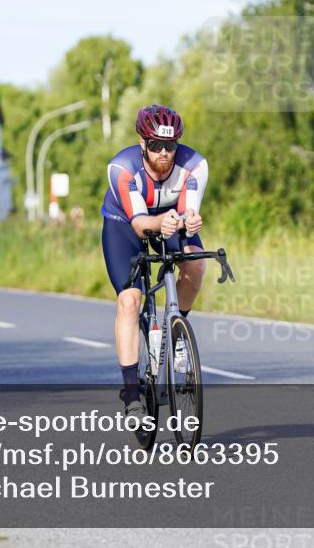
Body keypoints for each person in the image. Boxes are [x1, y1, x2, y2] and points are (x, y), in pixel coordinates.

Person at [100, 105, 209, 420]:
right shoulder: (121, 168)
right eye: (156, 145)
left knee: (195, 262)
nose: (164, 152)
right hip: (125, 224)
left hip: (170, 220)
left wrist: (191, 220)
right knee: (130, 301)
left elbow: (189, 210)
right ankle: (132, 392)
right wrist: (162, 222)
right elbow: (139, 224)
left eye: (171, 145)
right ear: (141, 143)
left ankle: (177, 334)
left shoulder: (194, 165)